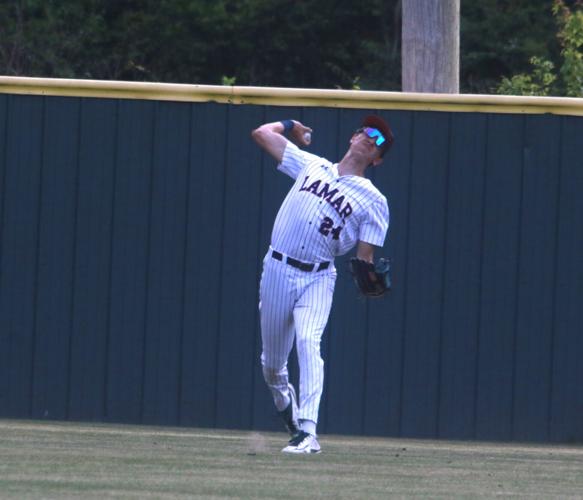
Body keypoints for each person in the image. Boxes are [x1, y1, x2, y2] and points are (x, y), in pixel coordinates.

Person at [251, 115, 393, 454]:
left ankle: (308, 432)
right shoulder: (311, 165)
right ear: (352, 137)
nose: (371, 137)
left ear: (378, 159)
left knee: (308, 342)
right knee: (272, 368)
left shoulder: (375, 201)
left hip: (318, 275)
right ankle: (291, 417)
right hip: (277, 268)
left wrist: (366, 271)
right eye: (367, 131)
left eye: (379, 140)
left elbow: (364, 257)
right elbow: (260, 133)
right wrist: (291, 124)